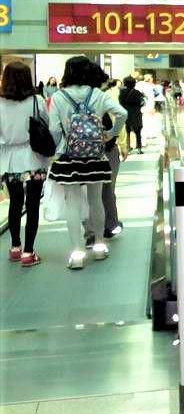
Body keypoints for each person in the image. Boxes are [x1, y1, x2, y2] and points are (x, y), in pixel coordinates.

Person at [47, 55, 126, 270]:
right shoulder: (97, 94)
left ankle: (77, 253)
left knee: (72, 203)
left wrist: (59, 147)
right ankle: (99, 246)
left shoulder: (59, 96)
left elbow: (54, 129)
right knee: (96, 200)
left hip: (68, 156)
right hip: (95, 154)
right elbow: (122, 113)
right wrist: (111, 133)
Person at [0, 60, 51, 267]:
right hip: (33, 157)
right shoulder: (36, 100)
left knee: (15, 203)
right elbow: (46, 123)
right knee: (32, 205)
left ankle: (15, 247)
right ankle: (28, 252)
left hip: (9, 159)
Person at [91, 74, 125, 240]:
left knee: (87, 192)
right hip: (107, 148)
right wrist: (118, 139)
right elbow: (121, 115)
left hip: (80, 152)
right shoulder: (104, 98)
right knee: (107, 189)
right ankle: (110, 224)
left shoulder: (65, 97)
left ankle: (90, 231)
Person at [119, 76, 145, 153]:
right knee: (138, 131)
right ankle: (139, 148)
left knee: (127, 131)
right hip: (136, 113)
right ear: (134, 83)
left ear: (125, 83)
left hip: (126, 113)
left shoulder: (122, 92)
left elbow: (120, 102)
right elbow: (142, 103)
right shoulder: (138, 93)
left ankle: (128, 147)